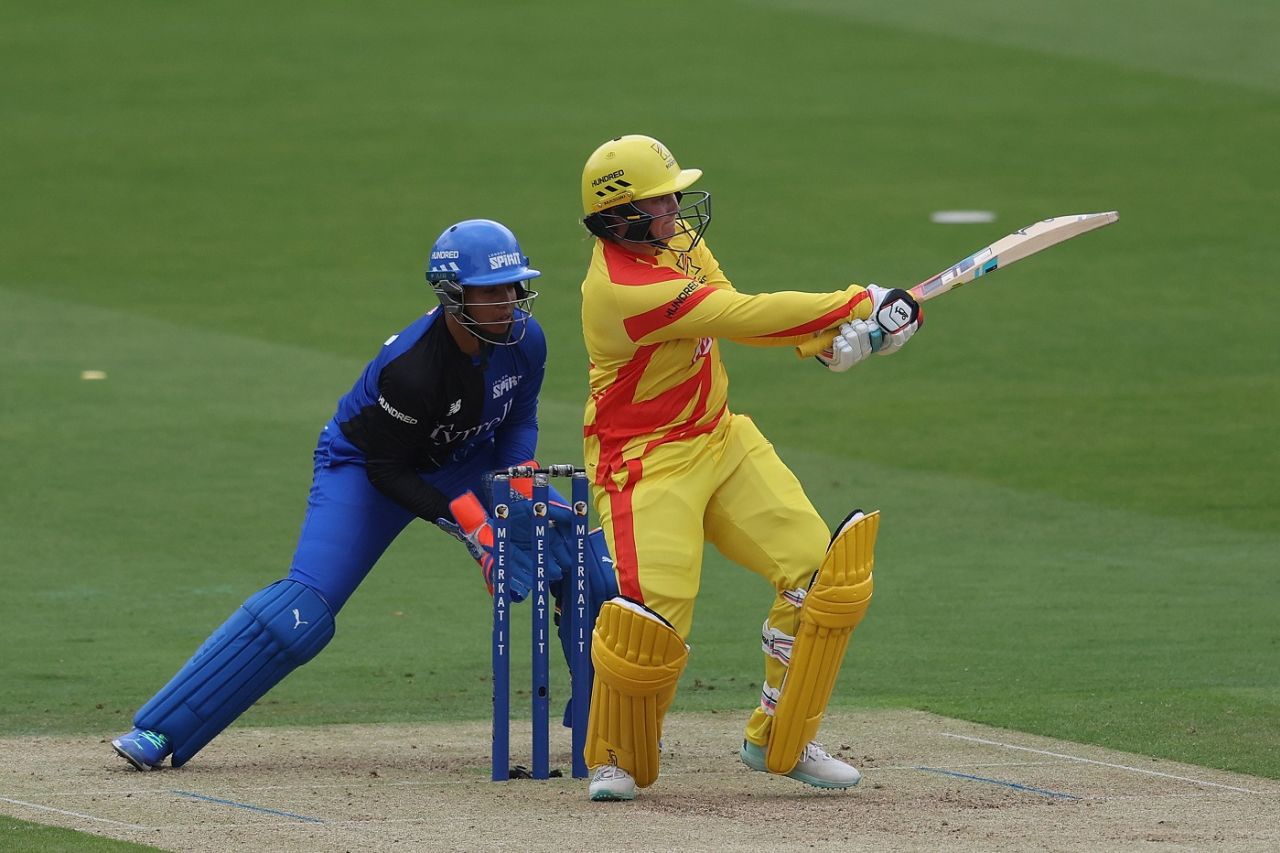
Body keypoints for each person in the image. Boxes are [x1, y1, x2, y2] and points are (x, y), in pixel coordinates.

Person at [111, 218, 612, 771]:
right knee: (300, 613)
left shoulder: (526, 339)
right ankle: (160, 729)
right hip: (365, 468)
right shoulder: (412, 370)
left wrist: (517, 485)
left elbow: (518, 420)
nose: (508, 302)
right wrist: (475, 528)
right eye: (490, 291)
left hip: (467, 458)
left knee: (578, 551)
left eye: (513, 287)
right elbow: (388, 469)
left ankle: (602, 719)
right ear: (453, 296)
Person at [575, 135, 924, 801]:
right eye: (660, 200)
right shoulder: (622, 289)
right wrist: (858, 302)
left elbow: (731, 310)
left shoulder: (675, 244)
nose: (676, 209)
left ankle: (780, 735)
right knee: (654, 619)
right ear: (617, 216)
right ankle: (614, 755)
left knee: (820, 576)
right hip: (645, 462)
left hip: (719, 437)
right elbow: (739, 316)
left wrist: (832, 343)